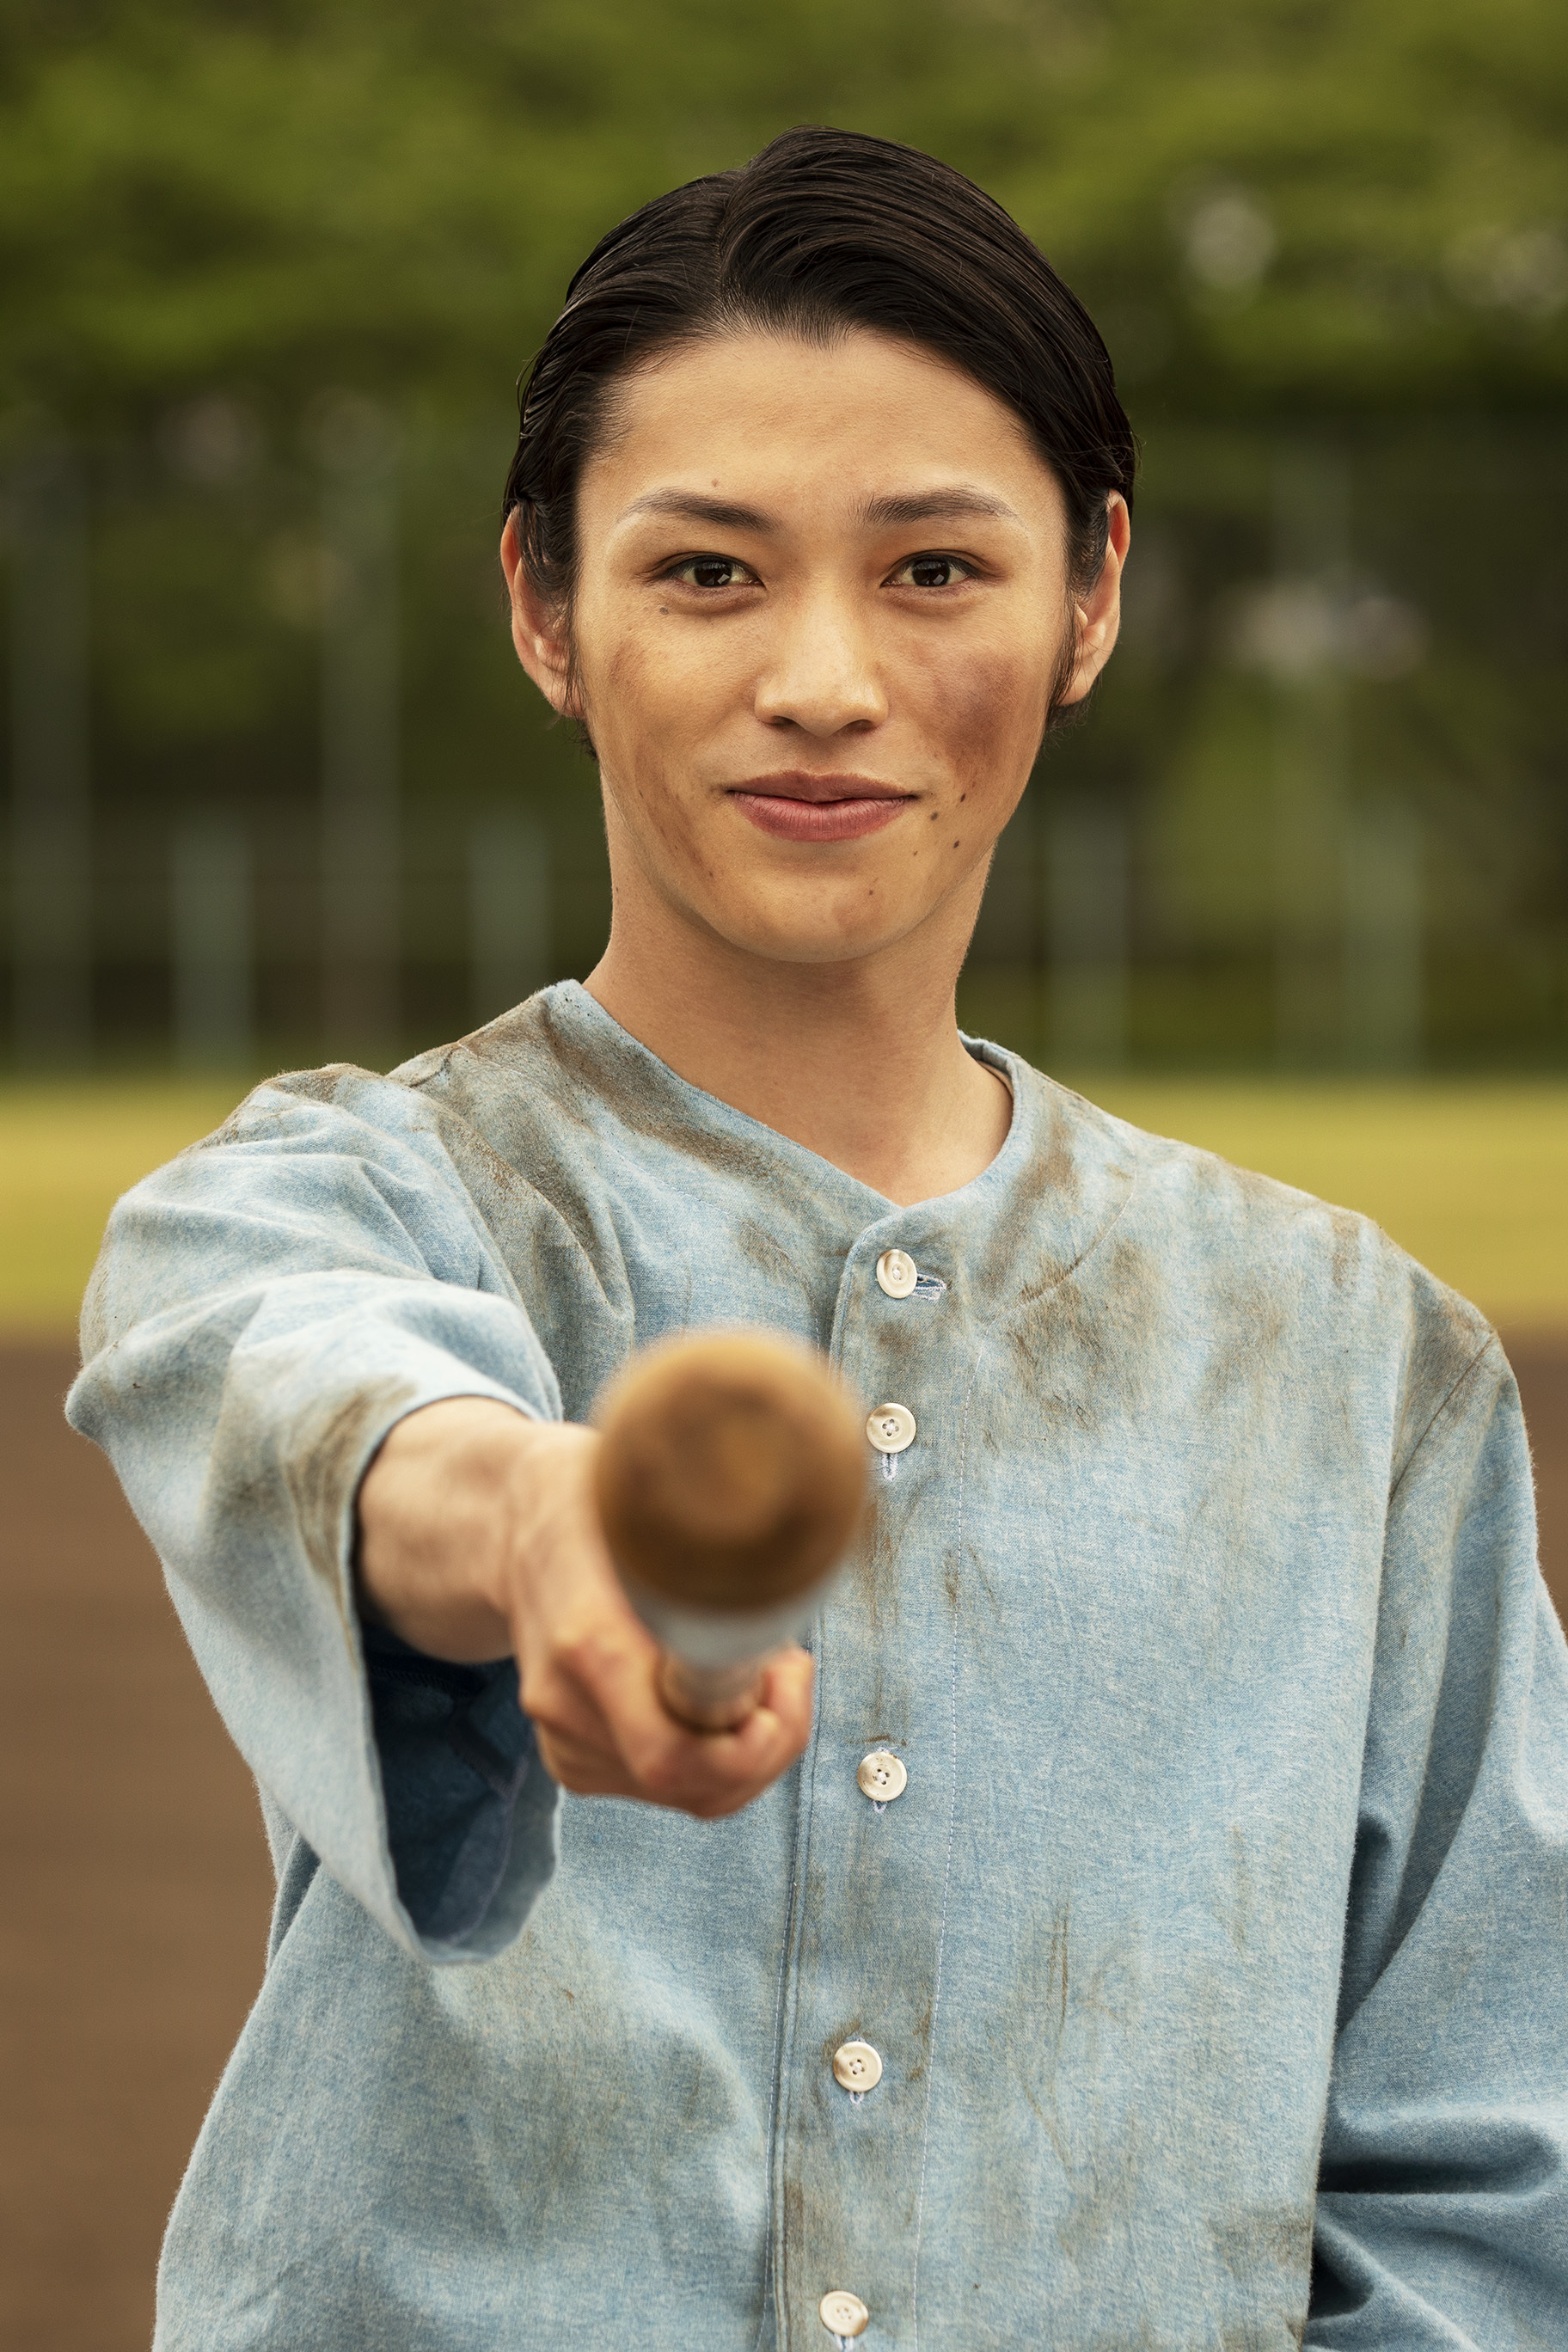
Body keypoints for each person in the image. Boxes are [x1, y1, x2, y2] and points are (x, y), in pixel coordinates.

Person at [70, 126, 1567, 2351]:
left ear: (1097, 593)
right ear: (539, 607)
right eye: (707, 573)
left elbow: (1485, 2189)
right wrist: (540, 1517)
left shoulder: (1364, 1371)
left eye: (937, 569)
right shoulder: (355, 1195)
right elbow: (296, 1370)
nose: (826, 679)